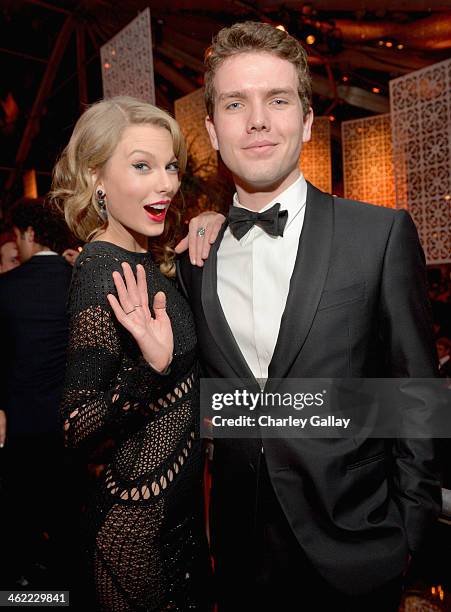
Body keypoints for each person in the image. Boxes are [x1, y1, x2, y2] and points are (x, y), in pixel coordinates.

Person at [177, 21, 442, 612]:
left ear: (307, 120)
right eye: (235, 103)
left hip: (360, 550)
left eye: (277, 99)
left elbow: (415, 396)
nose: (258, 119)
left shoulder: (379, 234)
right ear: (213, 132)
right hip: (240, 560)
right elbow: (219, 405)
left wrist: (415, 556)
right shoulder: (197, 258)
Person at [50, 96, 221, 611]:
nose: (165, 183)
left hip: (177, 513)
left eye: (169, 166)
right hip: (134, 531)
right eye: (141, 166)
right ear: (96, 179)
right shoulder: (102, 269)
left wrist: (212, 216)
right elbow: (75, 425)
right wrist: (151, 369)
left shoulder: (143, 256)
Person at [0, 197, 73, 586]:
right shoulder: (78, 281)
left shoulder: (7, 288)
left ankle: (25, 592)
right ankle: (68, 590)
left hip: (20, 426)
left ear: (29, 234)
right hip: (71, 426)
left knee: (19, 522)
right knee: (67, 519)